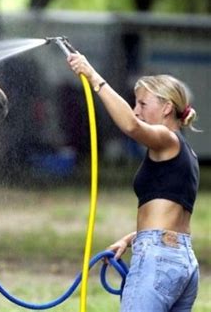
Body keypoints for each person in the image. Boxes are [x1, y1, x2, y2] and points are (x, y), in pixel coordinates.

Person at [67, 52, 200, 312]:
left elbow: (130, 126)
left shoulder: (167, 138)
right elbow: (171, 219)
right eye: (135, 104)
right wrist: (131, 239)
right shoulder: (186, 154)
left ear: (166, 108)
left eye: (142, 104)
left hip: (158, 259)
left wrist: (93, 77)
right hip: (183, 260)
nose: (136, 111)